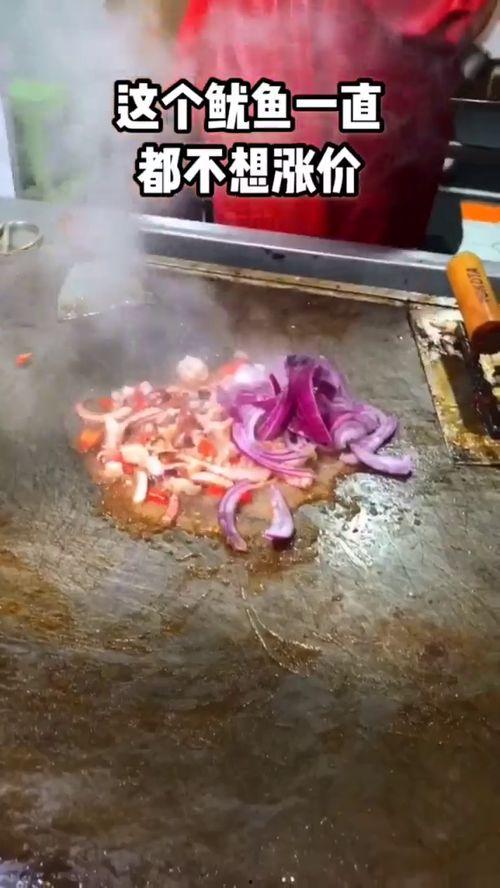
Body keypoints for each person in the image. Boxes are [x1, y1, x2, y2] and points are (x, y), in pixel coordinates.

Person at [176, 0, 497, 248]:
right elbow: (448, 18)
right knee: (352, 292)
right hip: (357, 167)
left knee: (255, 285)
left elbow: (194, 51)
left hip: (255, 139)